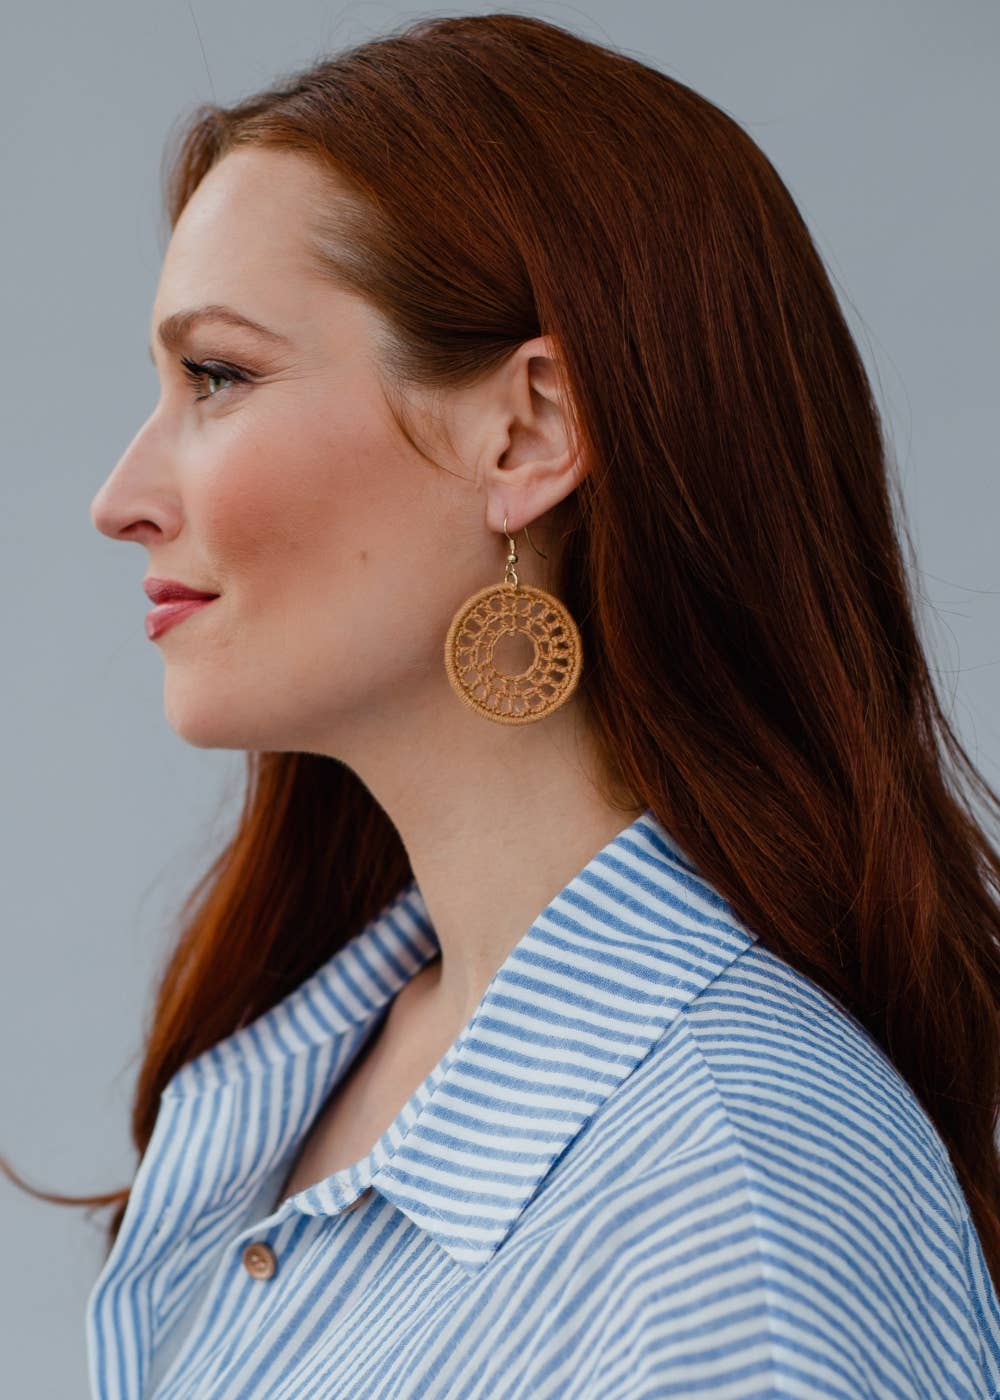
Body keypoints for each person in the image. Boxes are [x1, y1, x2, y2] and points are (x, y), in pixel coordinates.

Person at [6, 12, 1000, 1398]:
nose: (121, 499)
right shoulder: (303, 1078)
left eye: (217, 377)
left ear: (527, 429)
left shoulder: (734, 1211)